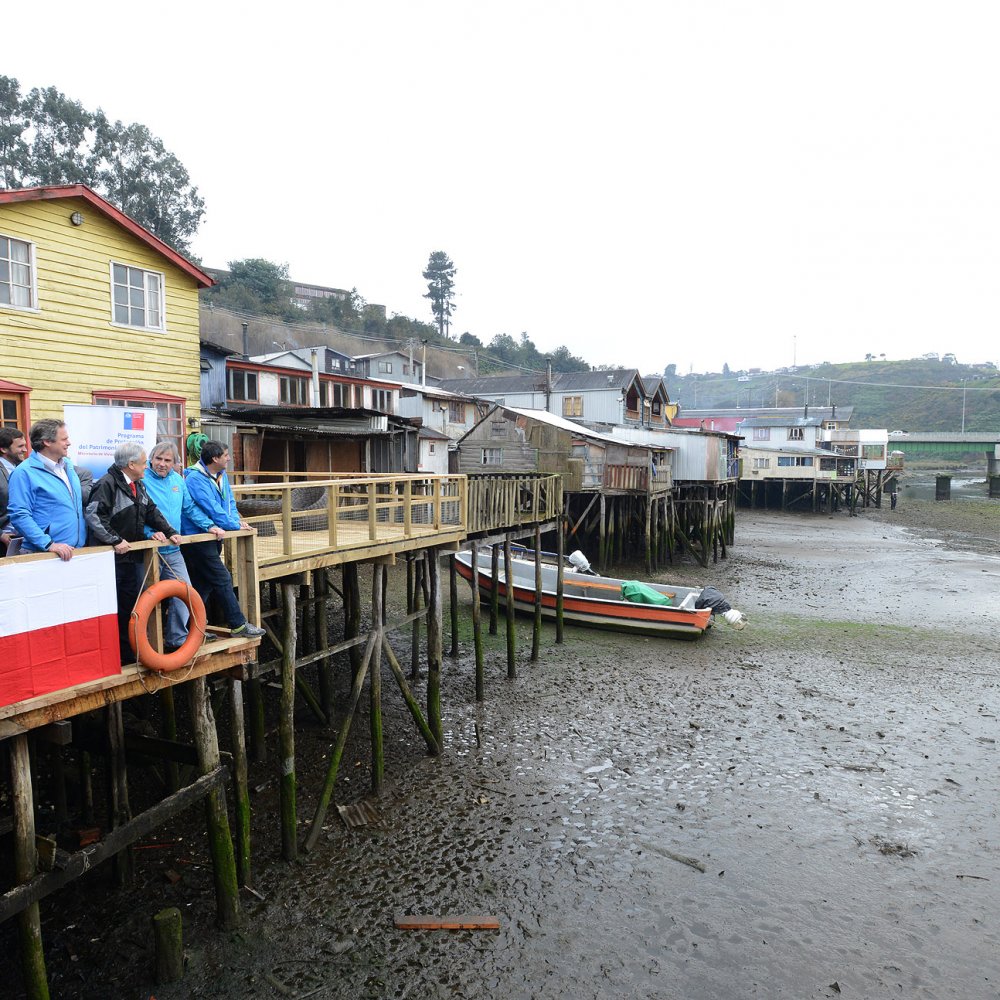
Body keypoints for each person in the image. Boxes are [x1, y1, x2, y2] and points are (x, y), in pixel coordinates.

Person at [85, 442, 182, 663]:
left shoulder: (138, 484)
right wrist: (115, 539)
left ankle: (130, 653)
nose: (146, 466)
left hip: (131, 557)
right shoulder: (107, 484)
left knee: (130, 604)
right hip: (112, 559)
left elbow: (151, 511)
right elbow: (94, 516)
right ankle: (120, 656)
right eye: (143, 462)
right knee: (116, 607)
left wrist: (170, 531)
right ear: (131, 464)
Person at [182, 441, 265, 639]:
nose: (229, 458)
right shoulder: (195, 478)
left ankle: (191, 627)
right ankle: (237, 625)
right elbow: (210, 507)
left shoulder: (221, 474)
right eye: (226, 455)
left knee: (203, 583)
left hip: (215, 534)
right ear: (215, 458)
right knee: (222, 578)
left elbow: (229, 502)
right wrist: (233, 525)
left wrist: (236, 521)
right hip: (198, 536)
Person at [143, 441, 220, 651]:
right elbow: (136, 514)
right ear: (150, 459)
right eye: (158, 459)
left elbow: (189, 508)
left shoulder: (178, 480)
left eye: (167, 460)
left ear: (175, 463)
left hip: (173, 550)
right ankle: (145, 645)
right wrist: (149, 533)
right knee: (146, 598)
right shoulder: (142, 479)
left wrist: (209, 525)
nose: (162, 464)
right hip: (147, 550)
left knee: (185, 592)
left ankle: (176, 637)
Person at [7, 419, 87, 560]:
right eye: (64, 439)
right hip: (44, 554)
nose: (69, 443)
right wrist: (48, 544)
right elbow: (19, 515)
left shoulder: (67, 465)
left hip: (74, 552)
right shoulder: (24, 472)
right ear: (47, 442)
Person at [0, 426, 28, 554]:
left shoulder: (24, 469)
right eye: (20, 446)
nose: (25, 450)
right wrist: (1, 534)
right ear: (4, 449)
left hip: (24, 539)